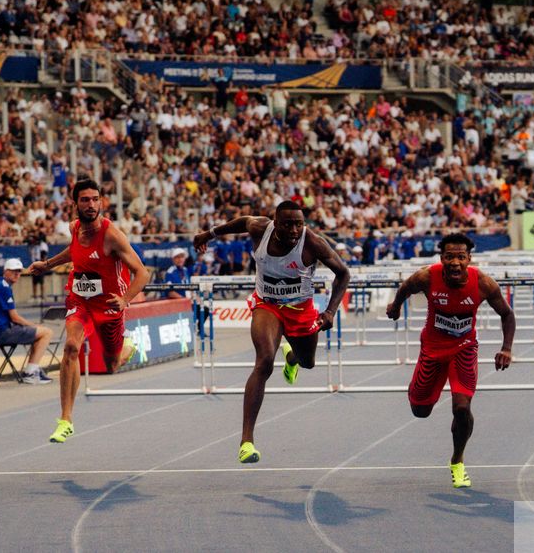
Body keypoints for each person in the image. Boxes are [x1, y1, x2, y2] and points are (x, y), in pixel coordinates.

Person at [194, 200, 353, 464]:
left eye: (299, 224)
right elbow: (242, 221)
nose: (294, 230)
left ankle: (291, 357)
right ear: (275, 223)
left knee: (308, 363)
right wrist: (209, 234)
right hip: (267, 305)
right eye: (288, 224)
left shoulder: (313, 242)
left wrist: (330, 312)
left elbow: (343, 274)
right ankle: (246, 441)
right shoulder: (260, 228)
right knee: (264, 361)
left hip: (301, 309)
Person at [384, 234, 517, 488]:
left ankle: (457, 461)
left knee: (462, 408)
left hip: (463, 349)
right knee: (420, 411)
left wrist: (507, 348)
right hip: (432, 350)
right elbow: (405, 288)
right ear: (441, 258)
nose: (455, 262)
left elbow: (507, 315)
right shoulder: (426, 277)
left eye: (460, 257)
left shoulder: (483, 284)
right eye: (449, 257)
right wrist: (396, 305)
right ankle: (419, 392)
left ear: (469, 259)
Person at [25, 179, 153, 444]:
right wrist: (47, 264)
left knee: (112, 363)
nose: (92, 204)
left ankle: (128, 345)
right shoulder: (75, 229)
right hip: (80, 300)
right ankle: (66, 419)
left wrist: (126, 299)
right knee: (71, 346)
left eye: (96, 199)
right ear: (76, 204)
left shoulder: (112, 236)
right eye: (85, 200)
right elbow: (73, 252)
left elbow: (143, 272)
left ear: (102, 202)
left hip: (109, 306)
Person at [0, 258, 54, 384]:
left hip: (1, 330)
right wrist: (33, 325)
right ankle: (31, 372)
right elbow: (15, 317)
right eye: (13, 271)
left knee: (39, 333)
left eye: (18, 272)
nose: (17, 274)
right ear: (5, 271)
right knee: (46, 332)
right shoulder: (3, 288)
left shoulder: (1, 286)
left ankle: (32, 369)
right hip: (2, 331)